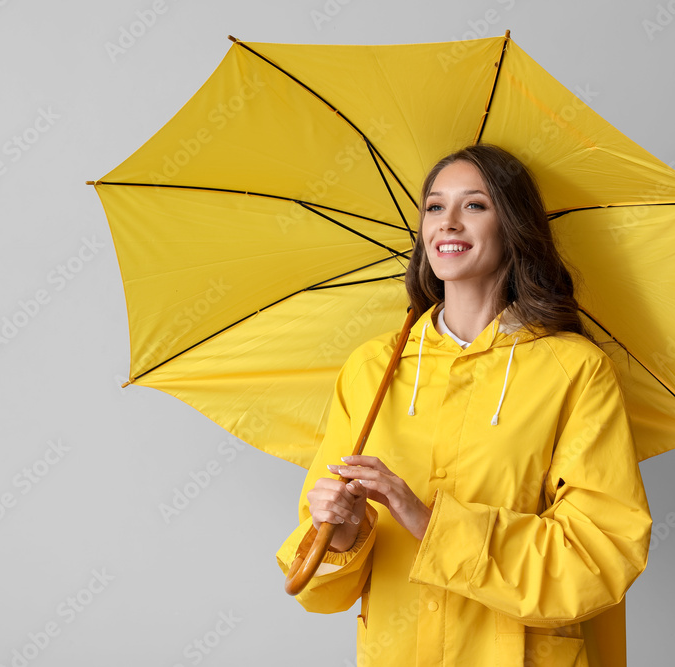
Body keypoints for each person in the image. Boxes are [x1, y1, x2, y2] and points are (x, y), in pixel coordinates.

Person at [276, 144, 653, 666]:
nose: (447, 223)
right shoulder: (373, 368)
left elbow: (601, 553)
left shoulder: (575, 369)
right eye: (434, 207)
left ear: (514, 227)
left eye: (474, 206)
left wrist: (427, 521)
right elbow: (324, 590)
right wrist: (340, 534)